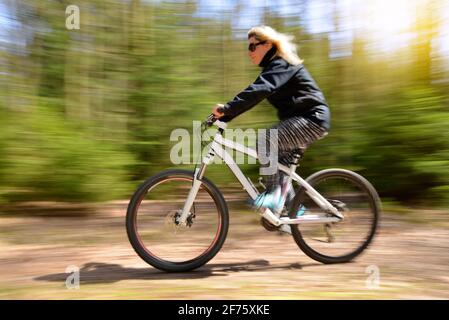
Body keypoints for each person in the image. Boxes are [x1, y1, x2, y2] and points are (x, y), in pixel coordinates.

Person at [212, 25, 331, 213]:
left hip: (312, 118)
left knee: (266, 139)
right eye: (247, 48)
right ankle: (293, 209)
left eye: (252, 46)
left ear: (267, 44)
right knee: (281, 168)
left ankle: (274, 195)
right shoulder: (272, 68)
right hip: (302, 120)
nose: (249, 52)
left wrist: (228, 108)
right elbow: (254, 96)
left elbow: (260, 89)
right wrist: (227, 116)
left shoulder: (281, 63)